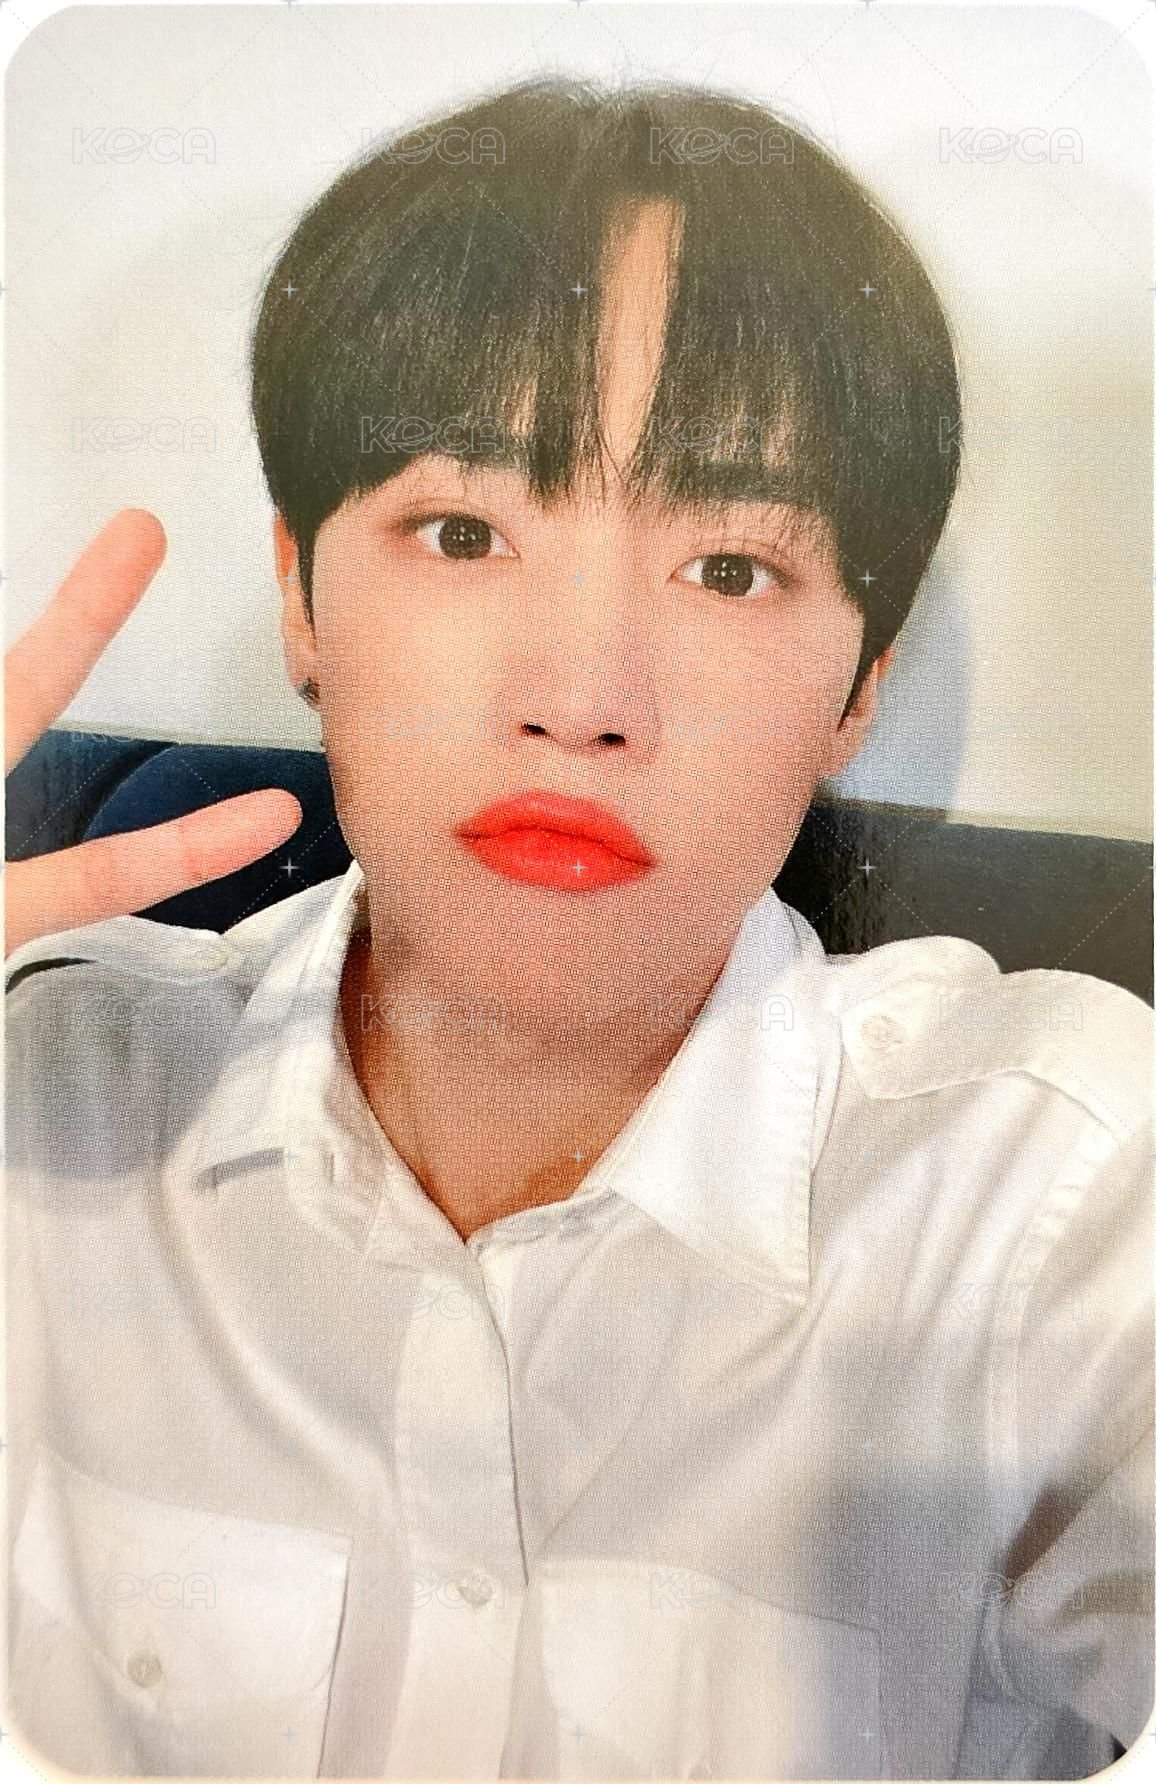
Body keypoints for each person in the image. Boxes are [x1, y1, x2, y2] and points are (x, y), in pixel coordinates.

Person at [5, 74, 1152, 1781]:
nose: (583, 698)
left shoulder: (1056, 1196)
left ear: (860, 688)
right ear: (302, 599)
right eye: (463, 531)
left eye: (731, 570)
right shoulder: (46, 1102)